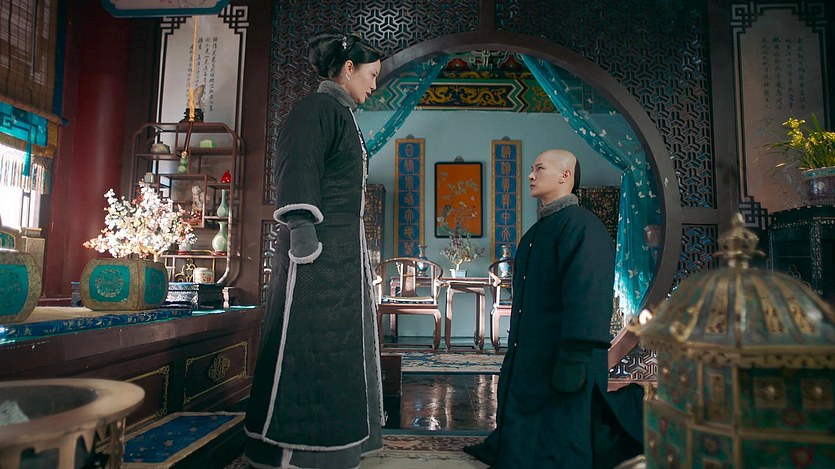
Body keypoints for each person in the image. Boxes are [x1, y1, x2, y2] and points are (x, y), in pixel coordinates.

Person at [243, 30, 384, 469]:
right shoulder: (316, 109)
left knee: (340, 345)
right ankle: (296, 449)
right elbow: (298, 169)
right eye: (372, 75)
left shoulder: (341, 114)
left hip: (342, 254)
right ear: (348, 69)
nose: (374, 85)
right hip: (316, 255)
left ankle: (340, 443)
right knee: (311, 342)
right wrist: (303, 234)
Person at [464, 149, 643, 468]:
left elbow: (589, 295)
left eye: (539, 168)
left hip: (568, 354)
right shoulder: (535, 233)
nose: (531, 175)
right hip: (534, 351)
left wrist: (575, 355)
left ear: (565, 175)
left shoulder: (583, 226)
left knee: (564, 435)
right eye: (532, 169)